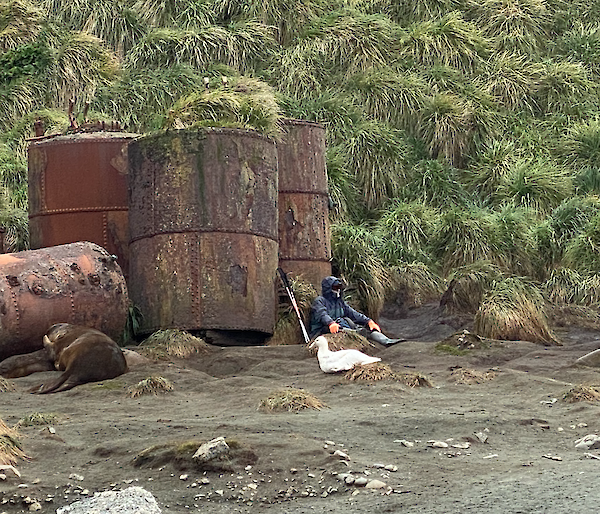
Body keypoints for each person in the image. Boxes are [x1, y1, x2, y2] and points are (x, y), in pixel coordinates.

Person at [308, 276, 403, 346]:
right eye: (335, 288)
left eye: (339, 288)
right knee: (344, 329)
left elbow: (353, 313)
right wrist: (330, 323)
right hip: (322, 330)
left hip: (340, 324)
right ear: (328, 288)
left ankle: (386, 341)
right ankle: (357, 333)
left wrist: (368, 321)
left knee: (361, 327)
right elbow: (322, 314)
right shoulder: (319, 301)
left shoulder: (339, 302)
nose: (337, 290)